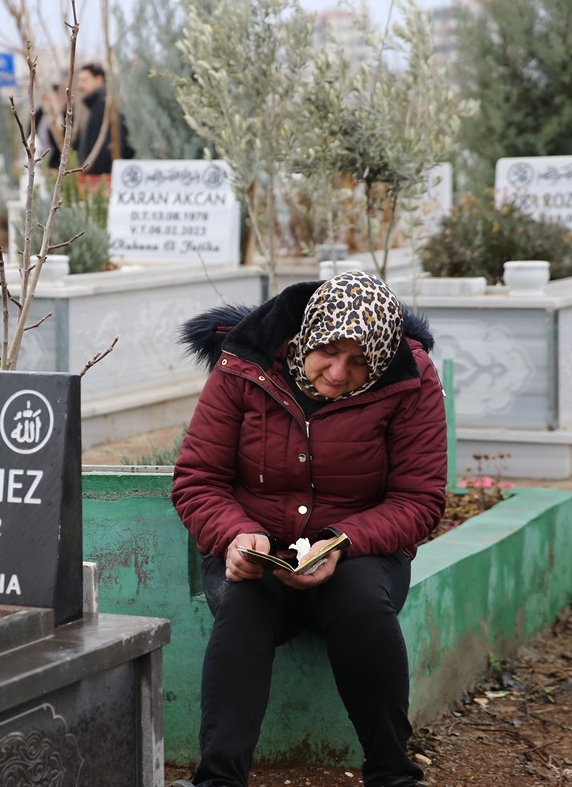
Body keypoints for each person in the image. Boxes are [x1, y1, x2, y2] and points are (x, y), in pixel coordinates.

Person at [170, 271, 447, 787]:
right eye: (329, 351)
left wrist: (341, 542)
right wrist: (235, 534)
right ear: (306, 333)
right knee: (245, 601)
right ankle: (219, 779)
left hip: (360, 553)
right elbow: (198, 479)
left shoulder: (411, 379)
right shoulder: (245, 363)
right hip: (256, 547)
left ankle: (392, 774)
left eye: (360, 361)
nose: (339, 373)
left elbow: (419, 499)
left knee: (359, 601)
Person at [73, 63, 134, 176]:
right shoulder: (95, 107)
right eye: (79, 81)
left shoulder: (105, 107)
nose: (80, 85)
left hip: (102, 177)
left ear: (99, 80)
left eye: (84, 80)